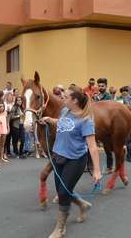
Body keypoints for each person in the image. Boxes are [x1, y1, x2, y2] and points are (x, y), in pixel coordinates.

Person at [40, 85, 101, 238]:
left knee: (62, 192)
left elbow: (93, 147)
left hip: (75, 160)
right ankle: (82, 204)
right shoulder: (65, 111)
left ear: (74, 100)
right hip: (58, 157)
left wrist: (97, 170)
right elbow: (62, 123)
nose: (62, 98)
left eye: (65, 97)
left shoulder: (86, 120)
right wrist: (48, 120)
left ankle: (60, 228)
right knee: (63, 191)